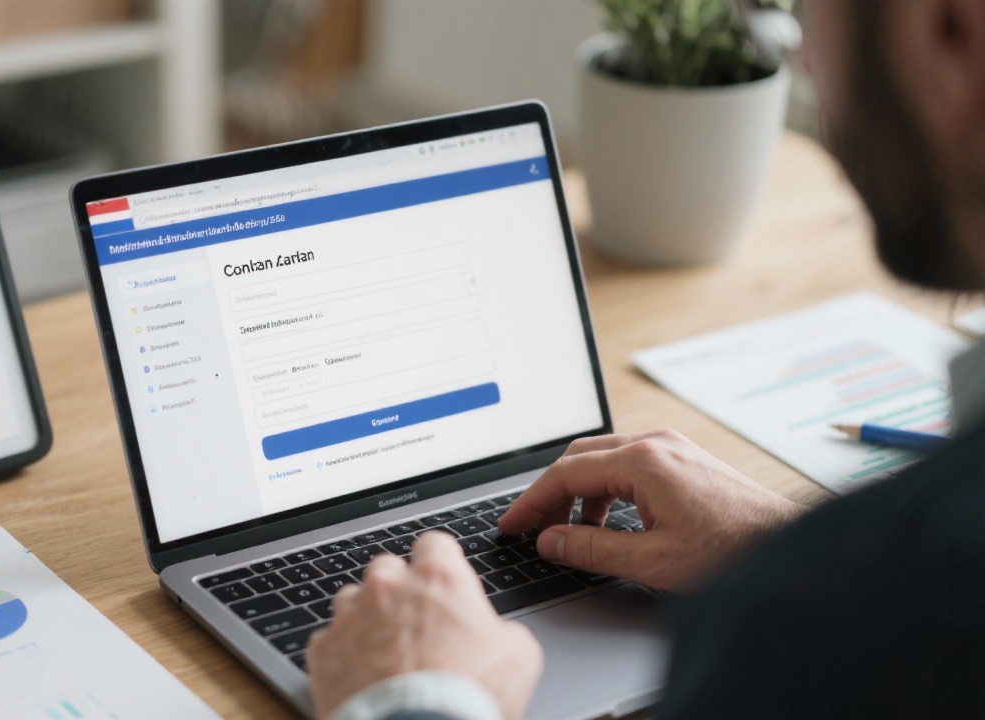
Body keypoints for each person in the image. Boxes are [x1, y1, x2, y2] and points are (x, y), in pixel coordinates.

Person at [307, 1, 985, 718]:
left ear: (949, 32)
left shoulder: (821, 645)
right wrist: (776, 540)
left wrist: (418, 696)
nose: (806, 59)